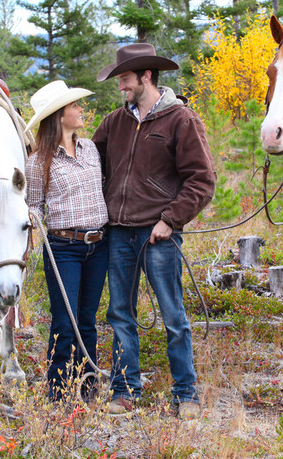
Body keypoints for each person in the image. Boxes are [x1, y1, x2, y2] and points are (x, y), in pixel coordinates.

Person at [92, 43, 216, 419]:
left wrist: (170, 220)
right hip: (118, 234)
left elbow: (202, 180)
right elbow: (88, 163)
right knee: (120, 315)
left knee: (173, 316)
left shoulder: (182, 120)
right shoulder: (114, 122)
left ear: (146, 76)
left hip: (159, 234)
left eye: (125, 80)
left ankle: (186, 394)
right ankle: (126, 391)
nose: (120, 87)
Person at [25, 80, 109, 402]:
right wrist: (31, 221)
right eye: (74, 106)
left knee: (87, 320)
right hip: (63, 249)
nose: (79, 109)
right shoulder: (38, 161)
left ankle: (87, 388)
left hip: (97, 245)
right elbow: (33, 204)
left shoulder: (90, 149)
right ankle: (58, 393)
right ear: (60, 116)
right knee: (65, 321)